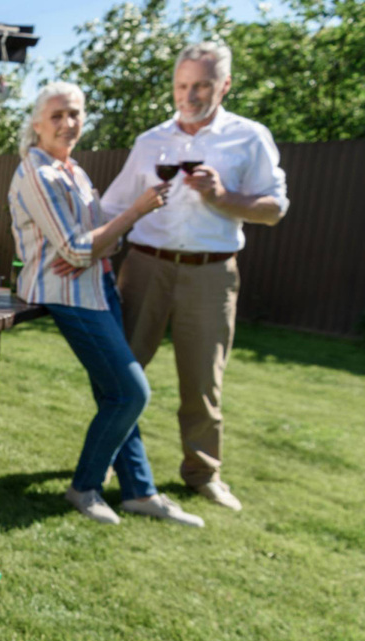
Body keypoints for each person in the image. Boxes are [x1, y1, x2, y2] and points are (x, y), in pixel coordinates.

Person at [101, 42, 288, 512]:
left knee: (203, 382)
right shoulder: (151, 141)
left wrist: (223, 197)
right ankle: (103, 457)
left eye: (202, 84)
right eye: (183, 85)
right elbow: (111, 205)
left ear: (224, 85)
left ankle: (202, 472)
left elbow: (274, 208)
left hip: (210, 273)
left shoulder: (249, 137)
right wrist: (94, 247)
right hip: (144, 267)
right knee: (122, 371)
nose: (190, 95)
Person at [9, 81, 204, 527]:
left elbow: (97, 246)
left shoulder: (74, 171)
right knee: (132, 392)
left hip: (99, 288)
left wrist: (92, 248)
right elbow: (79, 251)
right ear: (37, 123)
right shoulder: (37, 174)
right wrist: (133, 213)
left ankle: (140, 492)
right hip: (69, 296)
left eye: (74, 113)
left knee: (116, 394)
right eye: (56, 115)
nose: (67, 122)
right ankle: (84, 486)